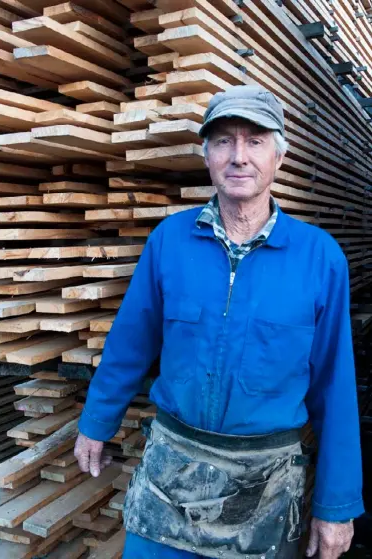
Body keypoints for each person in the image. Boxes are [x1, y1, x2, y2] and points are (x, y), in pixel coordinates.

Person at [74, 84, 364, 559]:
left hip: (267, 485)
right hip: (172, 473)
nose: (239, 156)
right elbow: (129, 344)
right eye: (224, 141)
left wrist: (337, 504)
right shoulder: (170, 240)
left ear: (279, 157)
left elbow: (336, 386)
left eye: (255, 141)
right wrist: (96, 421)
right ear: (207, 156)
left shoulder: (319, 258)